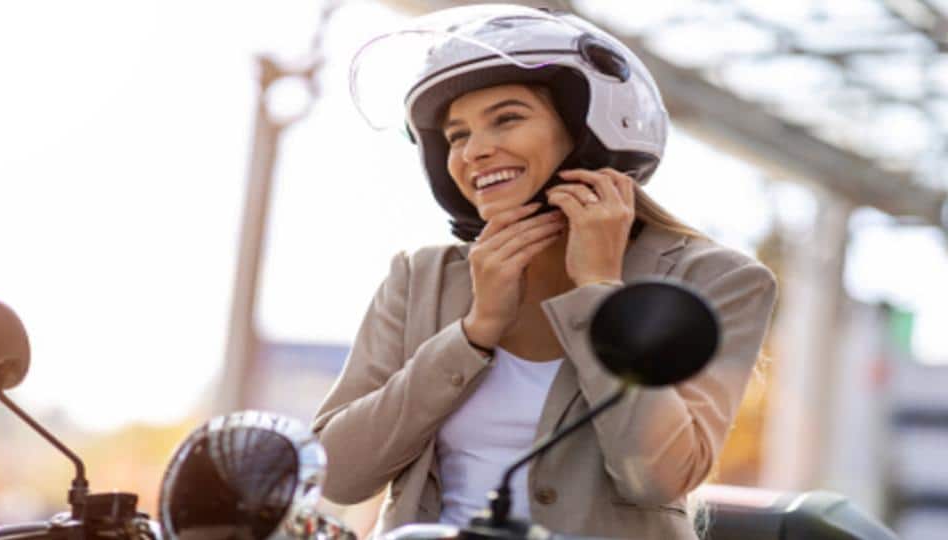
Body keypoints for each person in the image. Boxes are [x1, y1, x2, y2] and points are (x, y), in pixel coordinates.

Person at [312, 6, 777, 539]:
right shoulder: (420, 278)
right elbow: (337, 475)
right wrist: (473, 332)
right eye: (457, 135)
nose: (475, 151)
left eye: (507, 118)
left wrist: (601, 293)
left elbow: (657, 478)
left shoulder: (718, 279)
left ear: (587, 129)